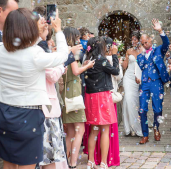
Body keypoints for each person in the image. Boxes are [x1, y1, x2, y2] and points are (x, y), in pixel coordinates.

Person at [0, 8, 68, 169]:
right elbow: (64, 55)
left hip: (4, 111)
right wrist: (58, 31)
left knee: (9, 162)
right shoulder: (35, 54)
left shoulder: (1, 50)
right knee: (27, 164)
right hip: (28, 115)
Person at [83, 36, 121, 167]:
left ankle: (91, 161)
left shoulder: (88, 59)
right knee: (105, 130)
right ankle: (104, 162)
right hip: (102, 96)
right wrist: (115, 56)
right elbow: (116, 71)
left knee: (93, 130)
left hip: (90, 96)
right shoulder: (101, 59)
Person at [61, 27, 95, 169]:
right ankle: (73, 162)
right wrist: (88, 66)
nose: (78, 39)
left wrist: (84, 64)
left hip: (66, 94)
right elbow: (75, 71)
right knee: (79, 129)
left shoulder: (63, 51)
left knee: (69, 131)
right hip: (74, 92)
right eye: (76, 36)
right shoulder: (72, 51)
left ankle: (64, 161)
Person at [136, 19, 170, 144]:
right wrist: (137, 77)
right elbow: (139, 70)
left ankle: (156, 128)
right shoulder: (139, 56)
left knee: (157, 109)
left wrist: (160, 30)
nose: (145, 44)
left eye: (146, 42)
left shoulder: (159, 50)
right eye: (142, 43)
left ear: (150, 40)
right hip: (144, 84)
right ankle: (145, 134)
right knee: (142, 109)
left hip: (156, 83)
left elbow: (166, 43)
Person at [122, 30, 143, 137]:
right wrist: (122, 60)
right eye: (132, 39)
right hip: (128, 77)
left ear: (139, 40)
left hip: (138, 78)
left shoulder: (143, 51)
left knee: (135, 102)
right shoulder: (129, 51)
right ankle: (128, 128)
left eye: (135, 39)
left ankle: (134, 126)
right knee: (128, 98)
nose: (133, 41)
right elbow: (125, 66)